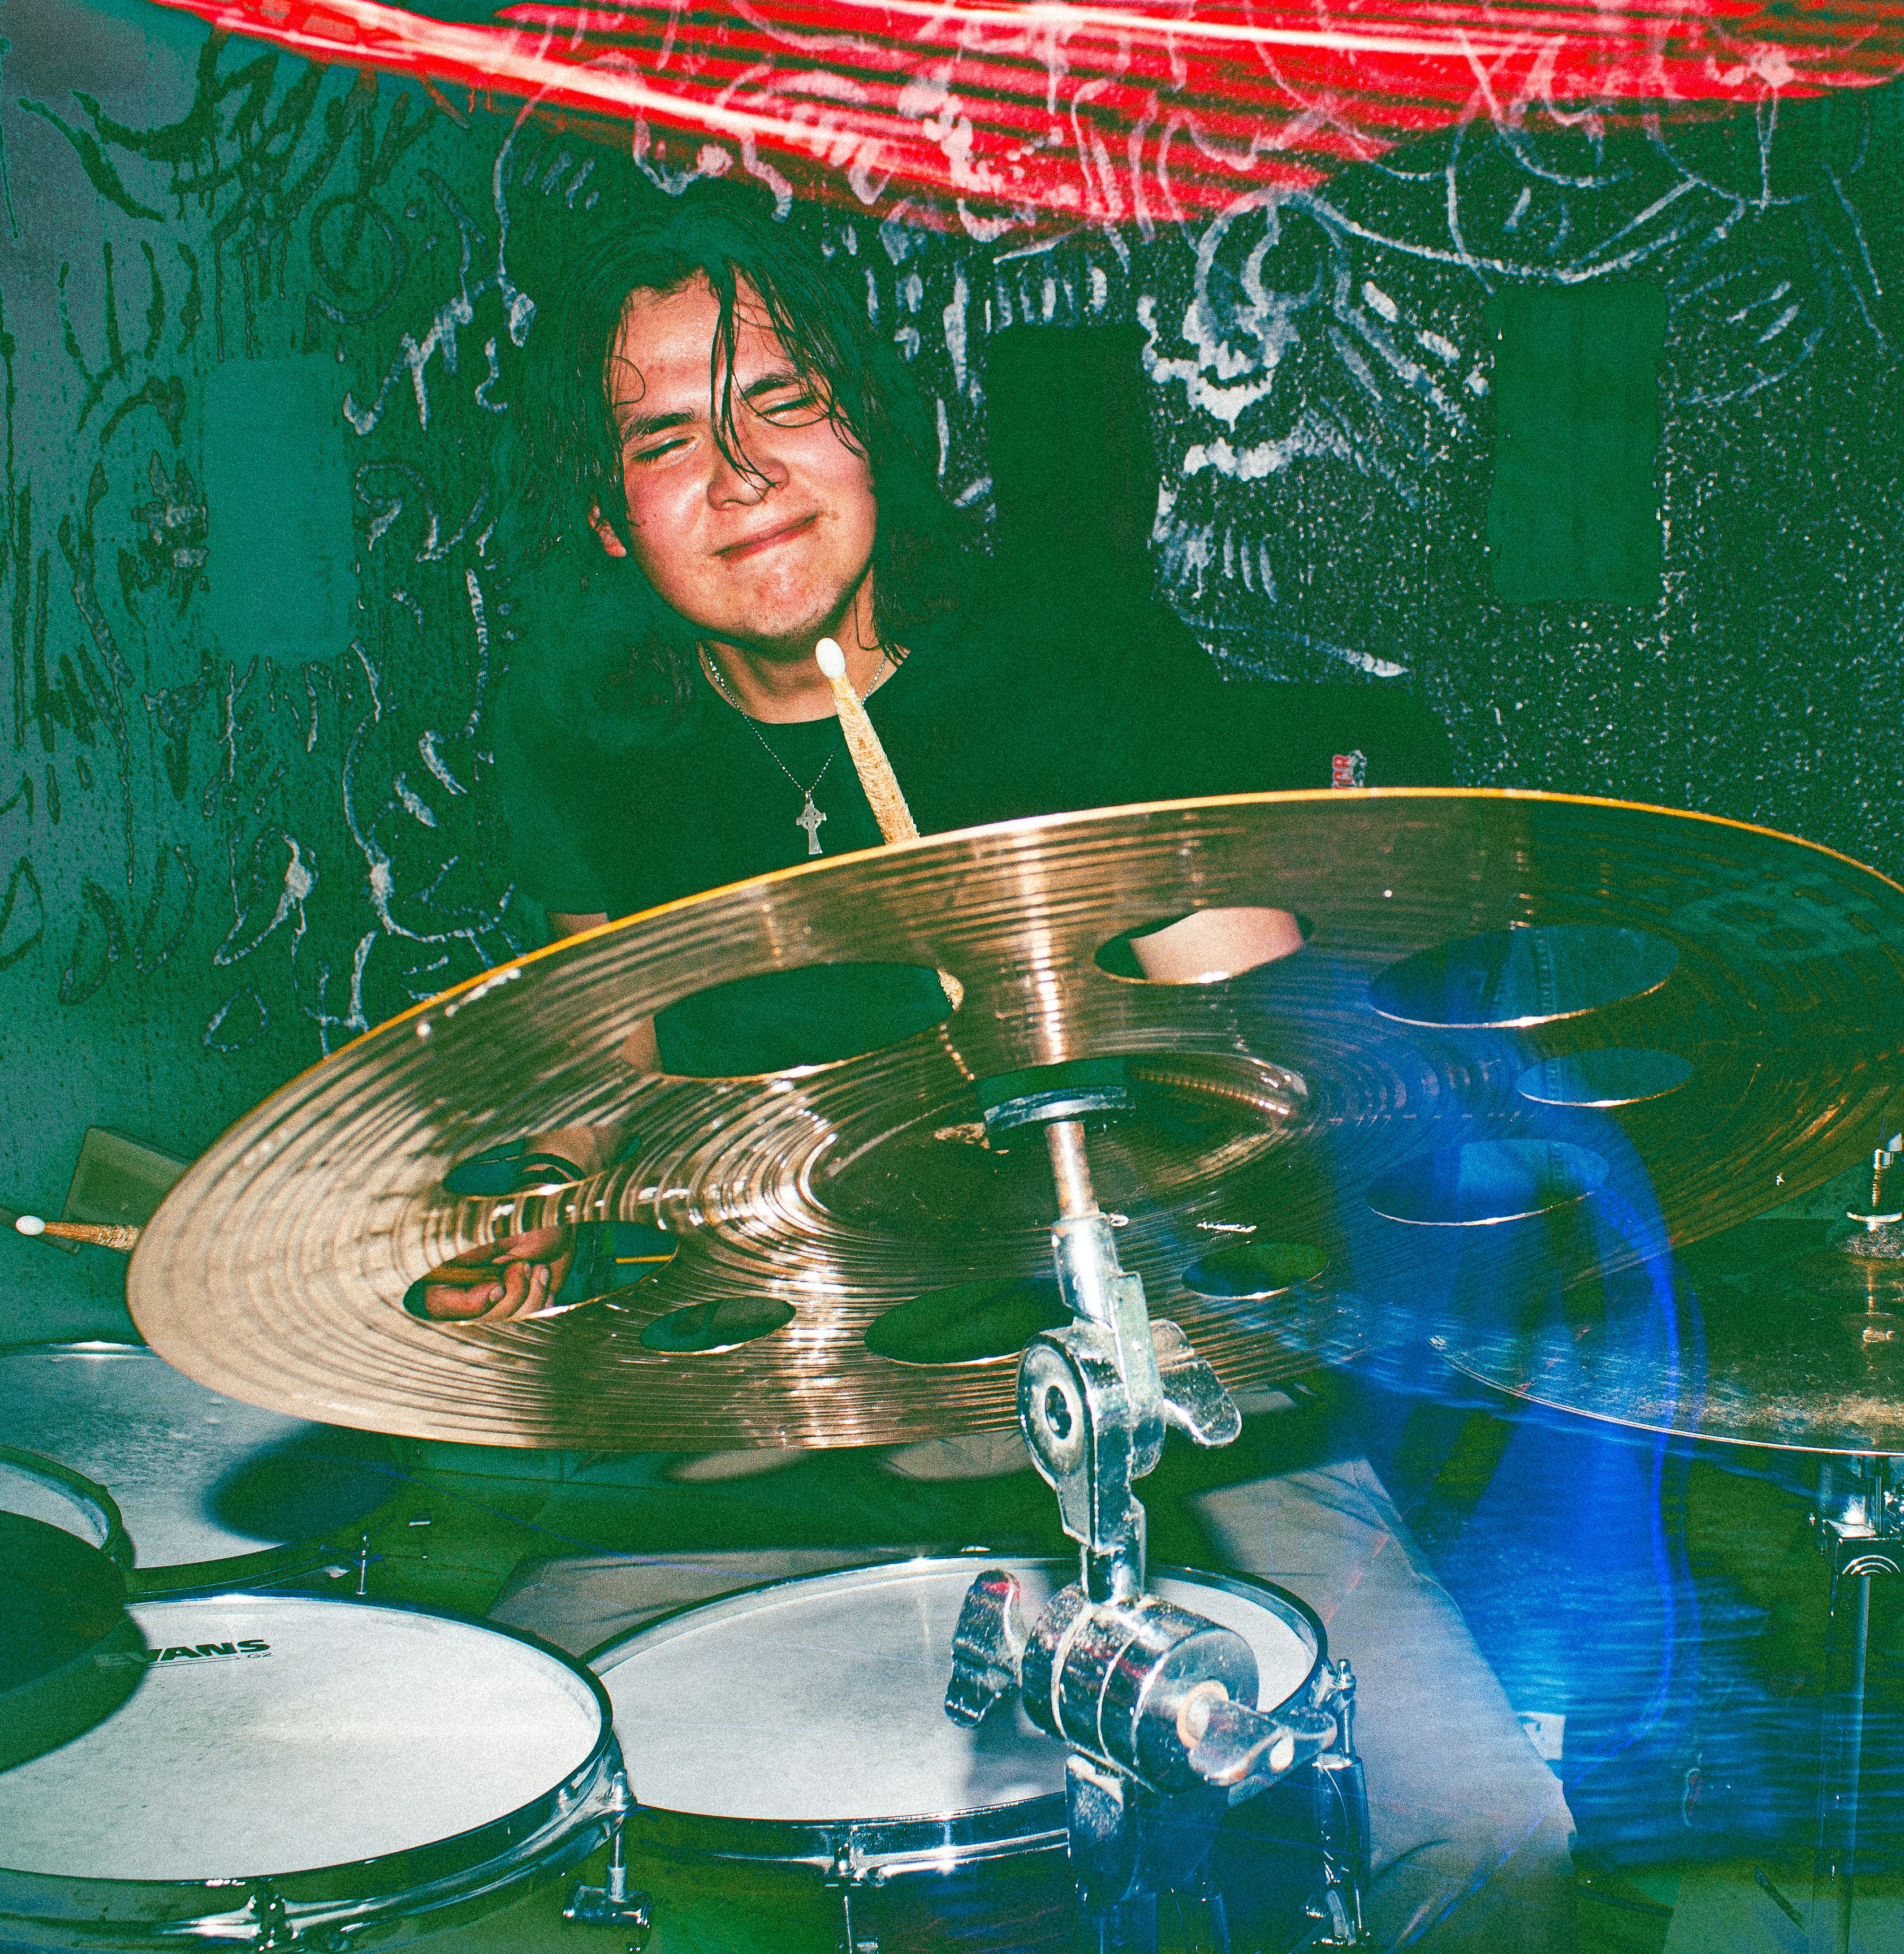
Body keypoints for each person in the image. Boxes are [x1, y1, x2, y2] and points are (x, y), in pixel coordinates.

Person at [409, 178, 1578, 1951]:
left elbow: (1256, 1050)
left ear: (873, 428)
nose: (738, 471)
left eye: (783, 401)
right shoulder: (590, 750)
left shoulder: (1067, 655)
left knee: (1483, 1828)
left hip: (1145, 1392)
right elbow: (606, 1100)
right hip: (783, 1413)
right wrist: (531, 1210)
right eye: (663, 438)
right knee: (469, 1822)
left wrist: (1252, 1008)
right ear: (607, 515)